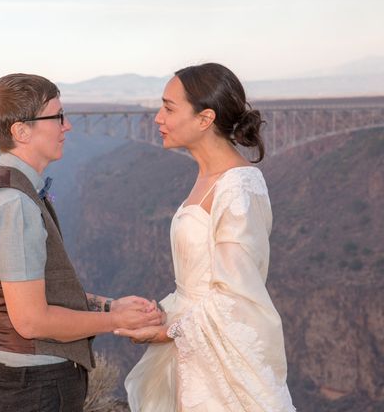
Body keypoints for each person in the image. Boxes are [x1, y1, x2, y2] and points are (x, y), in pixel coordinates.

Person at [0, 73, 163, 412]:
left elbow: (35, 290)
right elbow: (32, 321)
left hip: (28, 384)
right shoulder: (16, 205)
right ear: (21, 131)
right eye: (57, 116)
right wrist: (116, 322)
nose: (67, 126)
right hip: (34, 389)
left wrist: (108, 305)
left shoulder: (7, 188)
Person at [115, 63, 295, 411]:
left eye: (168, 108)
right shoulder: (206, 178)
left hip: (221, 366)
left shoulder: (239, 187)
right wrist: (160, 313)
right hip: (192, 344)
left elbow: (238, 296)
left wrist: (168, 332)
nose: (157, 118)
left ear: (204, 118)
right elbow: (199, 279)